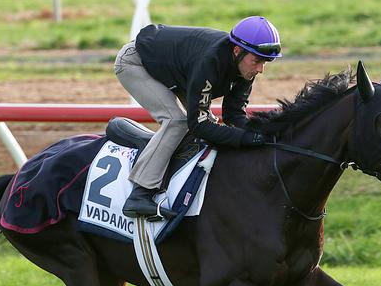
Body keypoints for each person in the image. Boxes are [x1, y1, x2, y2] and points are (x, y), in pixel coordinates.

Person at [114, 16, 282, 220]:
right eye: (256, 61)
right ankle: (140, 193)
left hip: (177, 70)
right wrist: (244, 138)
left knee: (211, 125)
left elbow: (234, 114)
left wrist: (256, 135)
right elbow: (197, 124)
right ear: (237, 51)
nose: (260, 69)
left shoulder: (244, 65)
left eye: (265, 62)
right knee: (177, 121)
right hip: (136, 62)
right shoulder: (209, 61)